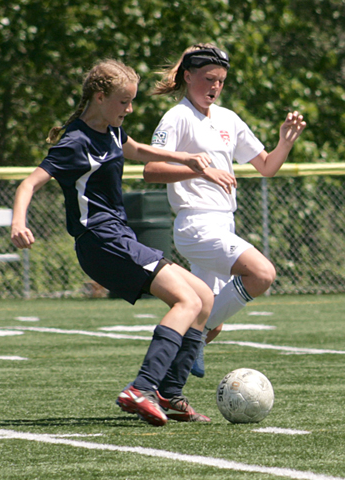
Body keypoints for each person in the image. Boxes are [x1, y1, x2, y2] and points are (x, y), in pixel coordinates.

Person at [10, 59, 215, 426]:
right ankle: (142, 387)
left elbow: (135, 150)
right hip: (101, 241)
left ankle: (169, 392)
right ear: (100, 97)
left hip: (118, 237)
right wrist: (18, 223)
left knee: (204, 298)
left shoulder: (113, 131)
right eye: (124, 102)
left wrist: (184, 157)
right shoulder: (75, 142)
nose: (130, 109)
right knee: (186, 300)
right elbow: (29, 184)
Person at [143, 44, 307, 377]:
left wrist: (285, 142)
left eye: (220, 81)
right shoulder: (178, 116)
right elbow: (150, 170)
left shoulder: (228, 119)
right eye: (207, 79)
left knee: (208, 319)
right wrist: (200, 170)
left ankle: (163, 387)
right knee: (262, 274)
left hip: (223, 225)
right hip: (196, 225)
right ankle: (196, 335)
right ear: (187, 77)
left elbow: (266, 167)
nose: (214, 88)